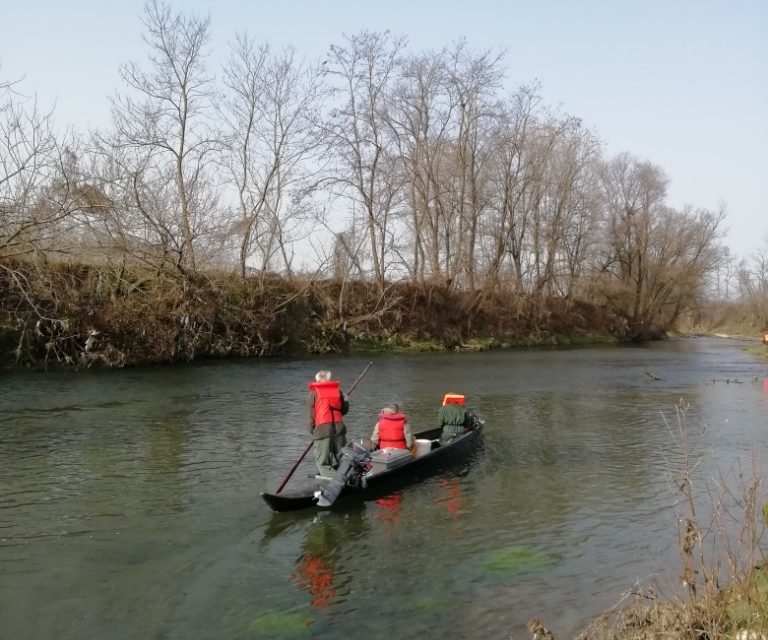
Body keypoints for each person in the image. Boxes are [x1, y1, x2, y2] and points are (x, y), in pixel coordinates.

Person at [307, 370, 349, 475]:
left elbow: (309, 418)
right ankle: (348, 477)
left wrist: (314, 432)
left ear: (317, 379)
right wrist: (346, 400)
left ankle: (335, 484)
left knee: (323, 463)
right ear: (328, 379)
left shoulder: (313, 394)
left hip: (322, 430)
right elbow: (344, 410)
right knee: (343, 459)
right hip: (339, 429)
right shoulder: (338, 392)